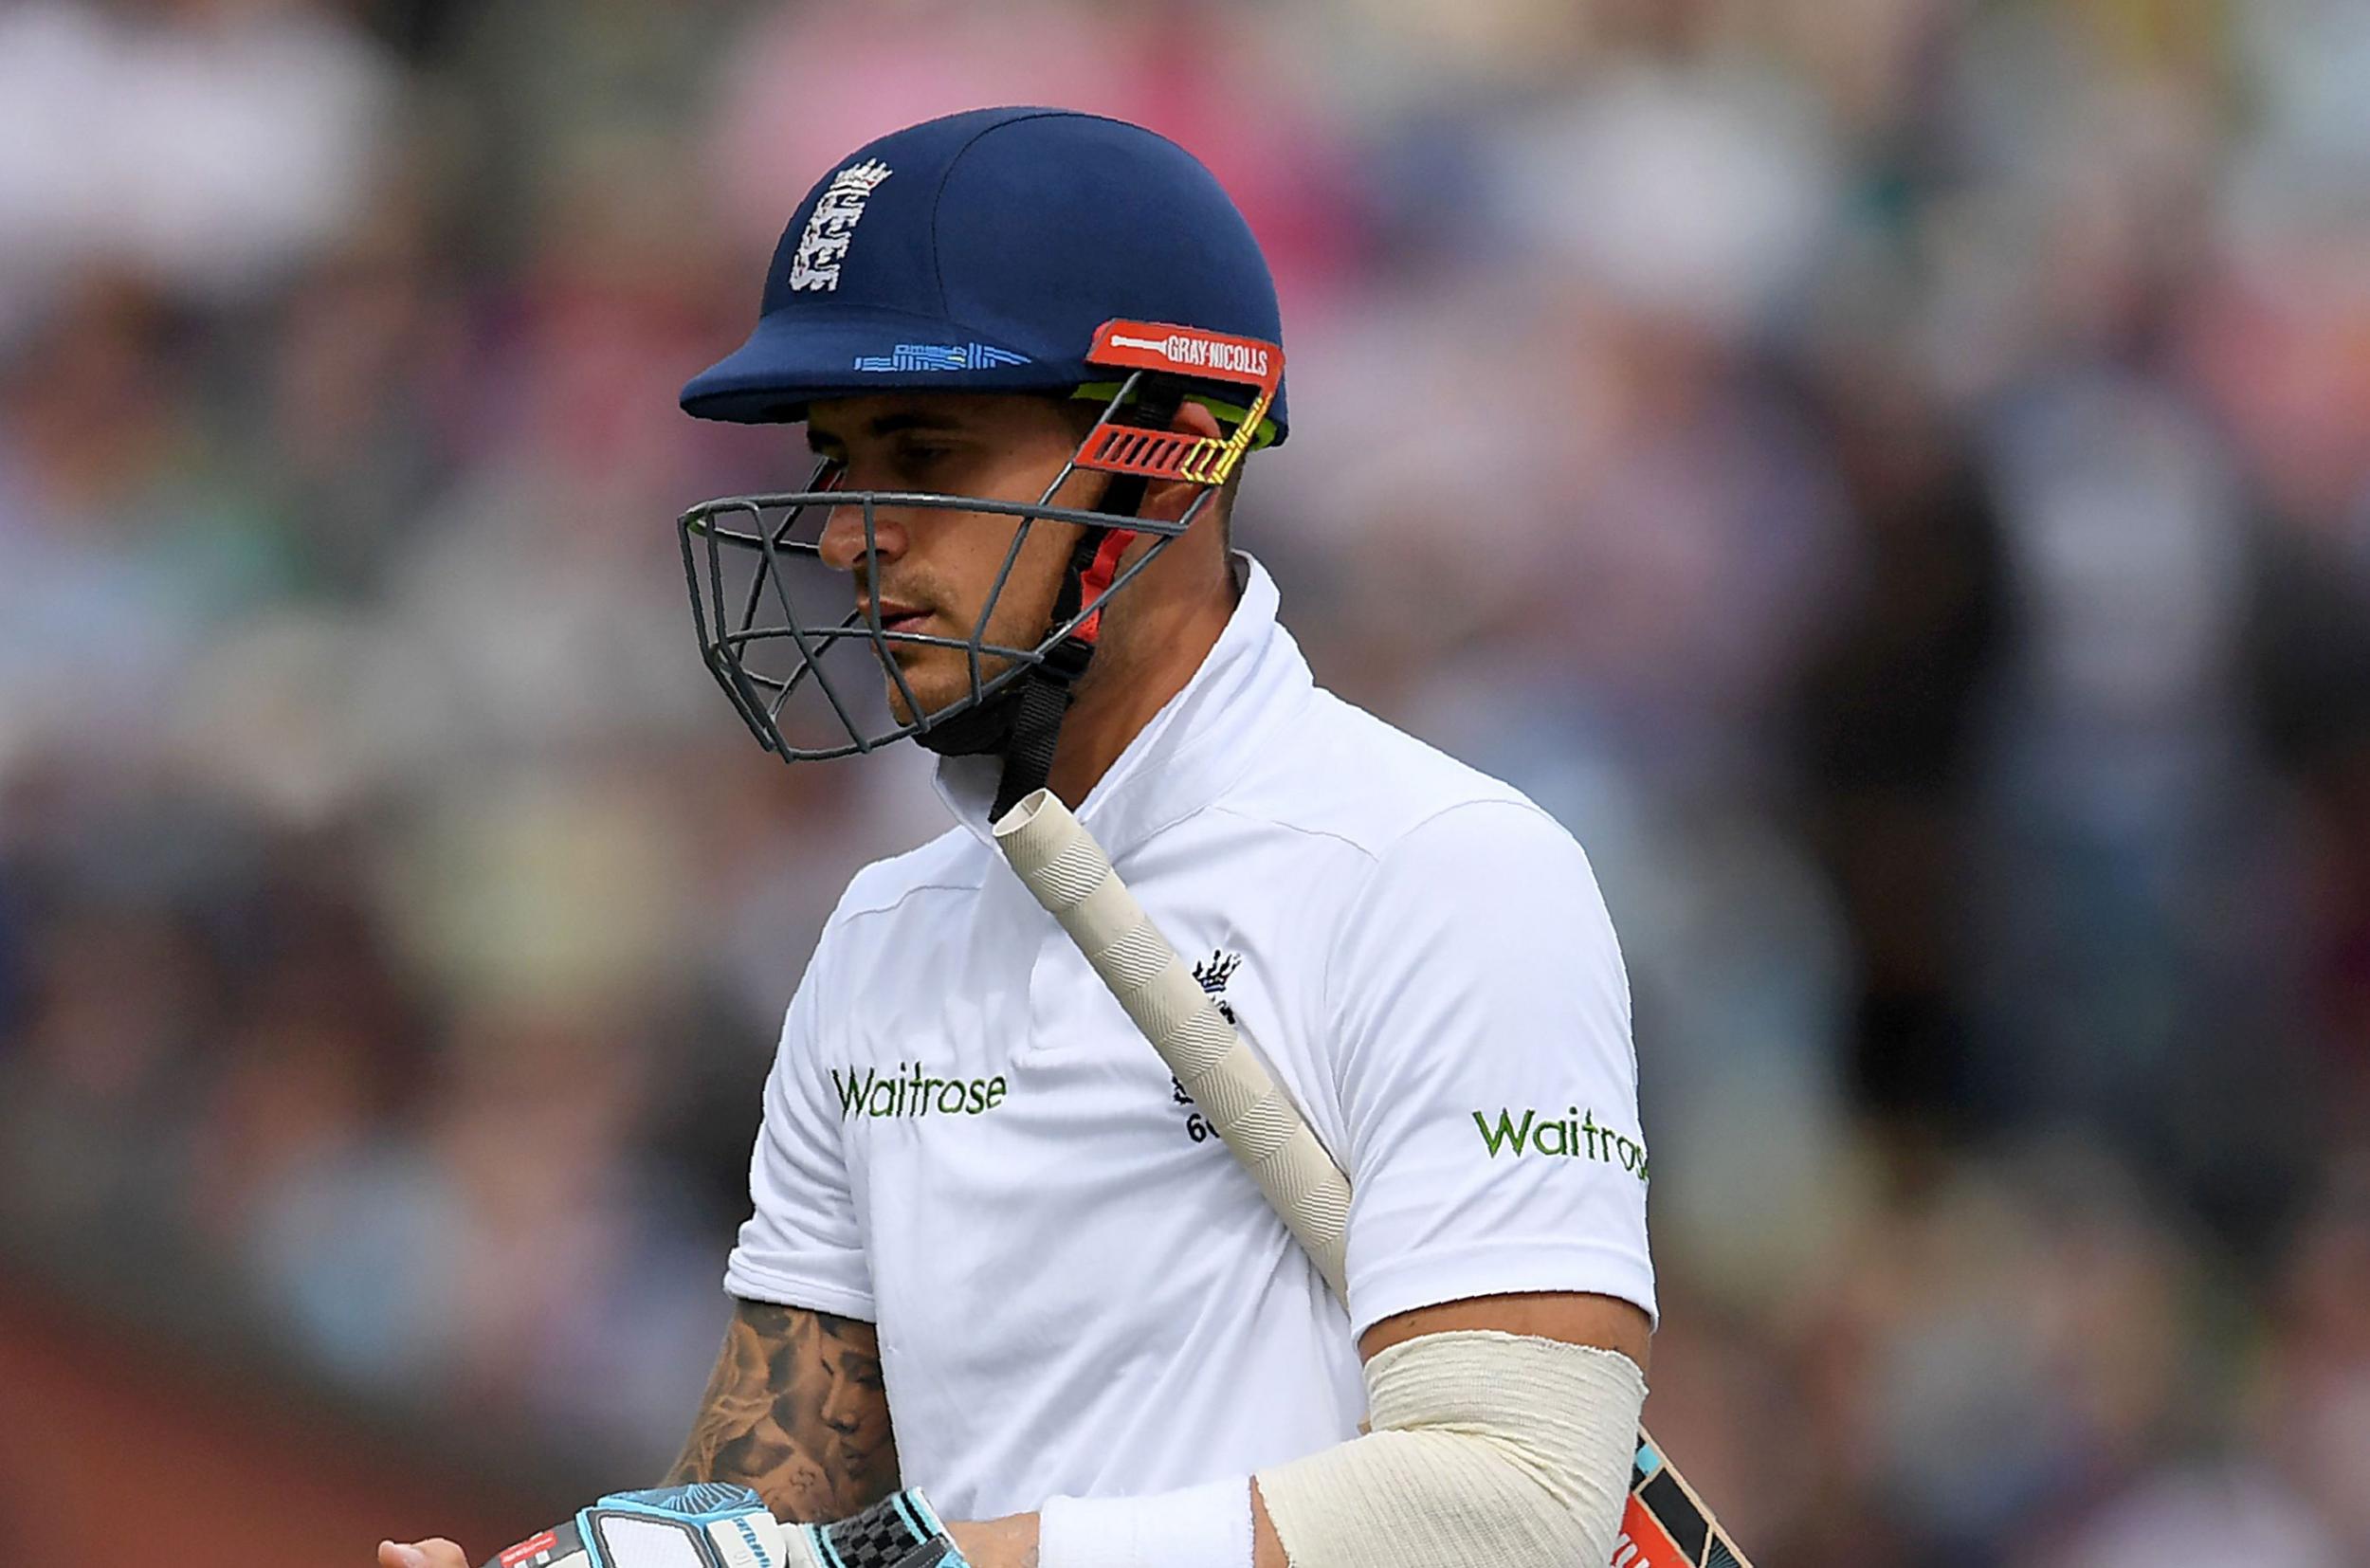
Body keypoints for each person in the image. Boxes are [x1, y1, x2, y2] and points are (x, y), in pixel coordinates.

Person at [381, 105, 1654, 1568]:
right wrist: (594, 1558)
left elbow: (1509, 1508)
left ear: (1168, 456)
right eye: (837, 459)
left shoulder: (1447, 871)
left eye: (923, 447)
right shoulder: (882, 937)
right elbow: (775, 1486)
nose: (848, 534)